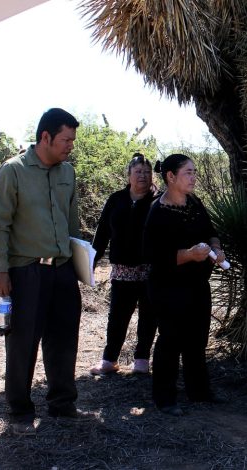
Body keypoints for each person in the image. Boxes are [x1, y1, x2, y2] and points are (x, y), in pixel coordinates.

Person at [0, 108, 90, 435]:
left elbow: (73, 224)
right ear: (45, 137)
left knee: (64, 339)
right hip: (26, 272)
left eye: (72, 141)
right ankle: (19, 411)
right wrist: (1, 271)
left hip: (62, 272)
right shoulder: (13, 171)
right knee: (22, 343)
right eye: (65, 140)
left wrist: (82, 263)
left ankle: (62, 404)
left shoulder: (68, 174)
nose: (70, 146)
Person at [142, 153, 227, 416]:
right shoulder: (157, 211)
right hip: (167, 287)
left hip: (197, 284)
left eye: (194, 172)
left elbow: (211, 231)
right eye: (188, 172)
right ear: (171, 176)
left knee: (197, 338)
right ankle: (164, 398)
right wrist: (189, 254)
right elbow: (153, 256)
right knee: (171, 339)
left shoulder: (194, 202)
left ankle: (199, 391)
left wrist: (216, 248)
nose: (194, 177)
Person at [89, 153, 157, 376]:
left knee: (148, 316)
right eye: (138, 172)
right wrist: (90, 261)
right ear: (128, 175)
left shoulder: (159, 200)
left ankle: (142, 359)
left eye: (147, 172)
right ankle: (109, 360)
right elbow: (101, 235)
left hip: (150, 271)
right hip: (122, 271)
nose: (143, 176)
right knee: (117, 316)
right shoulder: (116, 200)